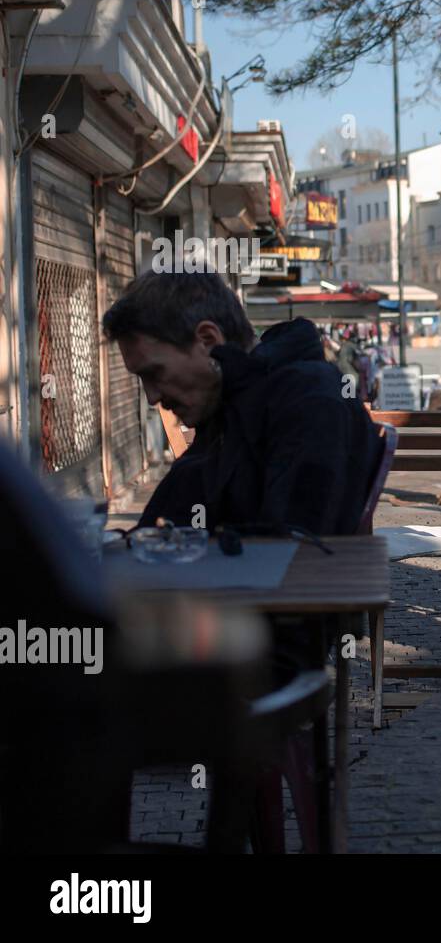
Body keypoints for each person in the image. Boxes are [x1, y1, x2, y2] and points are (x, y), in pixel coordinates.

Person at [102, 272, 382, 674]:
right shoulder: (234, 402)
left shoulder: (309, 401)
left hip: (243, 667)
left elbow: (291, 553)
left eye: (154, 372)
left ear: (208, 340)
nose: (152, 397)